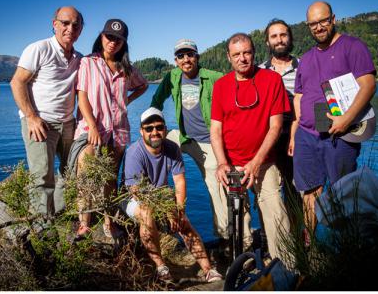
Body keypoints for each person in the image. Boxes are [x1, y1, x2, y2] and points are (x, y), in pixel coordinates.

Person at [290, 1, 377, 238]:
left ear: (333, 19)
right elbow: (299, 96)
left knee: (344, 192)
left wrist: (346, 120)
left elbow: (368, 85)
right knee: (309, 192)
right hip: (307, 135)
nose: (318, 27)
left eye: (323, 21)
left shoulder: (352, 46)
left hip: (339, 134)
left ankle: (349, 250)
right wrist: (295, 134)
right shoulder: (306, 59)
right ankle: (308, 248)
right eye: (313, 24)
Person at [210, 33, 291, 261]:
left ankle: (286, 267)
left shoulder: (271, 80)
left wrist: (255, 163)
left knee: (276, 216)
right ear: (228, 57)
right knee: (238, 222)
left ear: (254, 53)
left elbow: (275, 127)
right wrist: (222, 163)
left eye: (246, 53)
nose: (242, 58)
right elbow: (215, 130)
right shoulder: (221, 86)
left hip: (264, 163)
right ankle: (242, 265)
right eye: (236, 54)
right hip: (232, 165)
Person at [122, 107, 223, 283]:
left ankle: (208, 270)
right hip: (132, 199)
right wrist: (167, 210)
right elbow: (136, 192)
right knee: (146, 213)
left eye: (159, 127)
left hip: (160, 195)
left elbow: (180, 182)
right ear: (141, 131)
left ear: (165, 129)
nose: (155, 132)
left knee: (184, 222)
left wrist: (179, 211)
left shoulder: (172, 148)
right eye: (149, 128)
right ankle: (161, 267)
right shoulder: (134, 152)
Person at [68, 18, 148, 239]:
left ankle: (108, 222)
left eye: (118, 39)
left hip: (119, 131)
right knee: (86, 175)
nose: (113, 42)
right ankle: (84, 223)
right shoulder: (88, 62)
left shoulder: (126, 69)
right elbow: (81, 96)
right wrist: (92, 126)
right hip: (91, 129)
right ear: (101, 37)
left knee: (110, 179)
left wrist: (127, 101)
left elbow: (143, 85)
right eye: (109, 37)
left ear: (124, 43)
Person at [150, 39, 231, 241]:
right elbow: (156, 101)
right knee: (149, 145)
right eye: (180, 55)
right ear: (176, 60)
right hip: (183, 136)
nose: (186, 59)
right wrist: (154, 124)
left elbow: (233, 98)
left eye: (190, 54)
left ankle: (224, 237)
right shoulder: (173, 76)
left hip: (207, 141)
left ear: (197, 57)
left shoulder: (213, 77)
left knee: (216, 187)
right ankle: (149, 210)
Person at [10, 6, 84, 217]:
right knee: (42, 177)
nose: (70, 28)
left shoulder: (79, 58)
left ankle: (58, 219)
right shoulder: (39, 49)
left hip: (68, 124)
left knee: (70, 173)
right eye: (65, 23)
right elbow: (17, 83)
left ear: (80, 30)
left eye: (76, 25)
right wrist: (32, 118)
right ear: (55, 24)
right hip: (41, 124)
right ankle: (42, 230)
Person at [259, 19, 302, 230]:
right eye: (274, 36)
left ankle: (297, 241)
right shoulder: (259, 72)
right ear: (267, 42)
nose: (279, 40)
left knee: (295, 193)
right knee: (268, 192)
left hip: (296, 138)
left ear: (290, 37)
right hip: (269, 139)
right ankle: (272, 240)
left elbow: (317, 101)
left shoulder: (304, 67)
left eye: (283, 35)